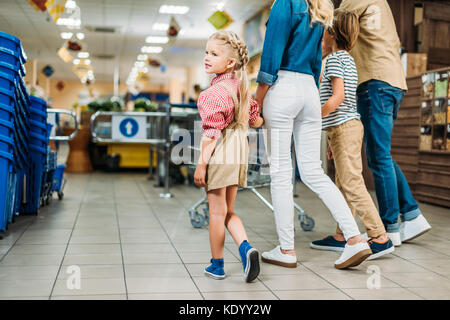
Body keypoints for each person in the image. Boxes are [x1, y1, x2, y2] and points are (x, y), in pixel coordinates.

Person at [255, 0, 372, 270]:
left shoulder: (285, 3)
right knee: (313, 171)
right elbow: (318, 59)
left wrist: (257, 100)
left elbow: (271, 56)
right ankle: (354, 237)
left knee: (282, 173)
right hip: (310, 89)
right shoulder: (321, 7)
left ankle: (286, 250)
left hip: (283, 86)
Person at [338, 0, 431, 246]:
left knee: (378, 157)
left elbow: (333, 23)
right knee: (382, 155)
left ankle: (389, 228)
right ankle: (411, 215)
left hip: (375, 82)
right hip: (392, 82)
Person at [310, 11, 394, 260]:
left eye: (324, 29)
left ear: (331, 33)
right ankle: (342, 235)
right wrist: (331, 136)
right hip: (343, 128)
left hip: (344, 128)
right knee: (344, 184)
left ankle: (380, 236)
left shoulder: (336, 59)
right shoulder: (345, 58)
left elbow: (338, 98)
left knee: (352, 183)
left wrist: (315, 117)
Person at [194, 31, 265, 282]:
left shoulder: (213, 94)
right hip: (239, 150)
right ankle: (246, 248)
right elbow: (257, 121)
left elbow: (211, 135)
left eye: (214, 54)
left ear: (230, 62)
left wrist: (201, 165)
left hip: (222, 149)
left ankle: (217, 265)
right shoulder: (242, 88)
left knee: (215, 212)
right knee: (228, 210)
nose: (207, 58)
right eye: (206, 52)